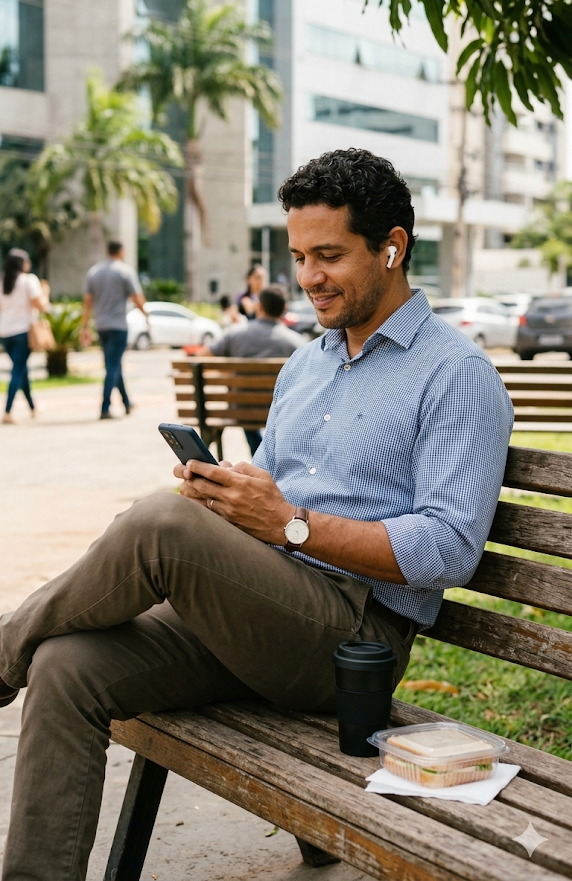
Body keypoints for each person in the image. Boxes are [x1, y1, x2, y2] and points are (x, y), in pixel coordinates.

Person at [0, 149, 514, 881]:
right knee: (64, 665)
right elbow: (269, 490)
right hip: (256, 612)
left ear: (392, 247)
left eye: (329, 256)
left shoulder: (456, 374)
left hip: (352, 643)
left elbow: (450, 548)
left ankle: (0, 654)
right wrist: (230, 496)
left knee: (162, 526)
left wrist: (288, 523)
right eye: (300, 257)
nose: (308, 278)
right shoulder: (306, 364)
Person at [202, 284, 305, 454]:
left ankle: (259, 456)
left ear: (259, 306)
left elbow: (203, 356)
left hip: (241, 410)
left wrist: (226, 372)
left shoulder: (234, 333)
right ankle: (265, 458)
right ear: (284, 309)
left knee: (246, 408)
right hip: (281, 412)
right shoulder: (297, 342)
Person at [81, 240, 148, 420]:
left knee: (114, 365)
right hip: (118, 326)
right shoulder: (125, 271)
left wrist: (85, 326)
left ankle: (126, 402)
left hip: (101, 326)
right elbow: (136, 297)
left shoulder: (94, 272)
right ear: (121, 251)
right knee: (112, 367)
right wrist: (146, 314)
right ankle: (105, 407)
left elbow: (87, 301)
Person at [0, 248, 49, 425]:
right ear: (22, 264)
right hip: (22, 332)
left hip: (5, 333)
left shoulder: (2, 282)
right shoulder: (29, 281)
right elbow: (41, 305)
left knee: (21, 370)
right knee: (17, 370)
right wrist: (45, 292)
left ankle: (32, 407)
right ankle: (7, 411)